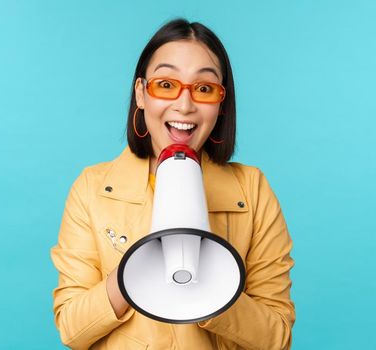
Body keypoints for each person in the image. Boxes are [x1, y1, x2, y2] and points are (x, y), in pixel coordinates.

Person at [50, 18, 295, 349]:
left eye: (204, 88)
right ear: (141, 94)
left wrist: (211, 288)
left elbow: (276, 337)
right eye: (165, 85)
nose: (184, 104)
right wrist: (134, 273)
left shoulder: (252, 190)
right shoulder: (92, 189)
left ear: (221, 105)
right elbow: (72, 330)